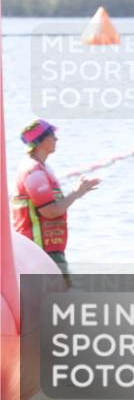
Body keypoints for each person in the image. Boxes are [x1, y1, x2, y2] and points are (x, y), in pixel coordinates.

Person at [11, 119, 101, 284]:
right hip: (40, 251)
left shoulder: (42, 168)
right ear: (40, 140)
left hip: (47, 250)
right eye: (53, 136)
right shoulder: (33, 171)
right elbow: (51, 211)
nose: (56, 140)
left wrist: (78, 193)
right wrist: (76, 193)